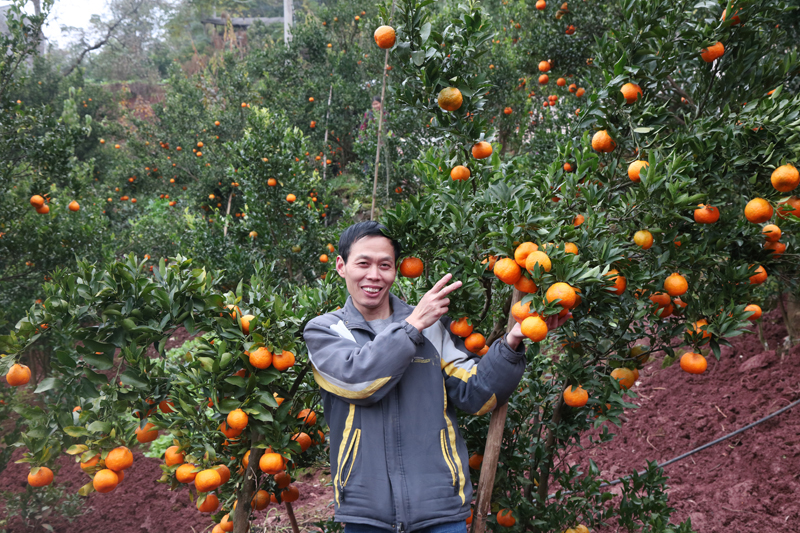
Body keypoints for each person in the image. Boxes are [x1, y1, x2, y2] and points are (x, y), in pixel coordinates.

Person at [303, 221, 555, 533]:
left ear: (395, 271)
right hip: (366, 512)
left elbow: (478, 395)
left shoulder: (431, 328)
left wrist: (512, 342)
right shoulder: (326, 330)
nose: (374, 275)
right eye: (363, 263)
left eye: (385, 265)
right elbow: (359, 383)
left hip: (439, 509)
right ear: (341, 266)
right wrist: (412, 326)